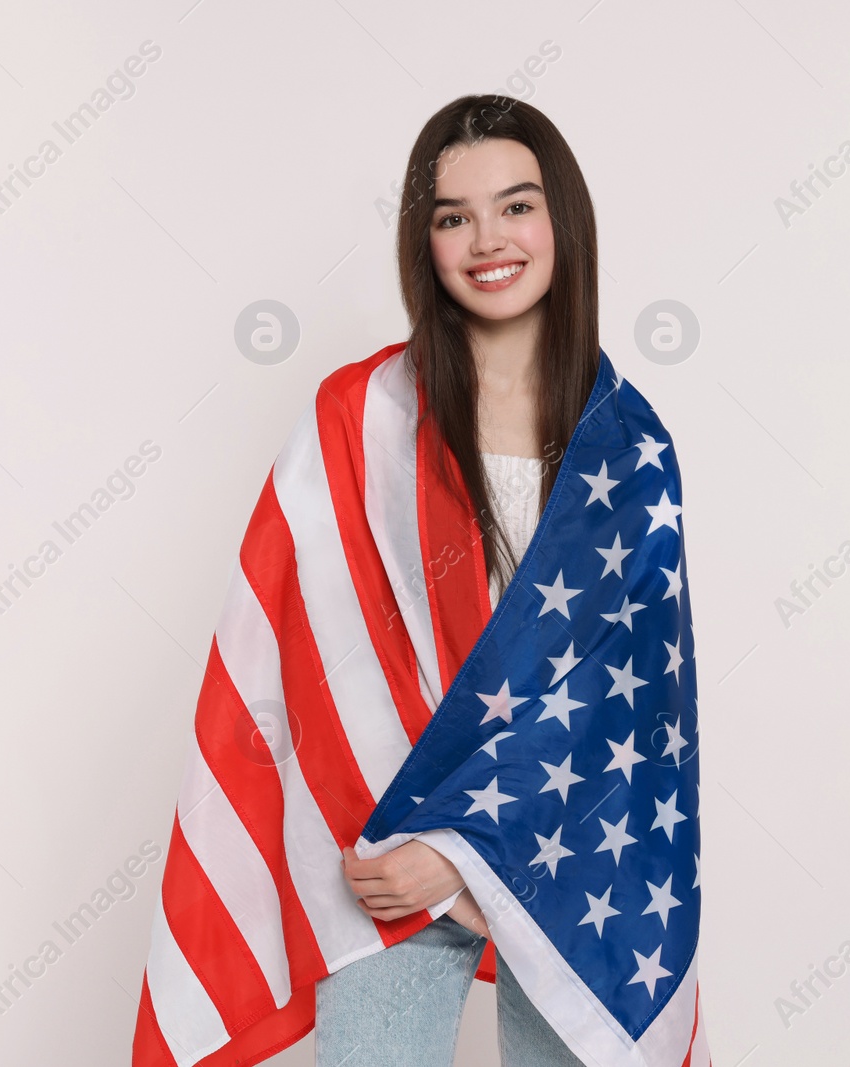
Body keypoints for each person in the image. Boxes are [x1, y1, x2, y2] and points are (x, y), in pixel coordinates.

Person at [311, 94, 600, 1067]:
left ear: (561, 220)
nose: (487, 239)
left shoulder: (625, 443)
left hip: (574, 854)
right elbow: (310, 656)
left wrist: (472, 848)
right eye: (451, 216)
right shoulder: (362, 418)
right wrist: (431, 860)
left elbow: (627, 704)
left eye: (516, 206)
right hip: (393, 846)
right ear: (422, 241)